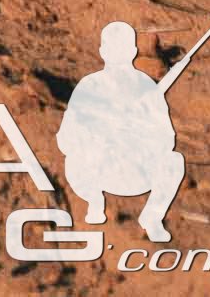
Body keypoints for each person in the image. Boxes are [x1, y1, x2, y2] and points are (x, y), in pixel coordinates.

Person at [58, 19, 193, 244]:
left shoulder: (147, 89)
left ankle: (152, 217)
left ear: (132, 51)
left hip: (134, 168)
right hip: (97, 169)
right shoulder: (89, 86)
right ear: (103, 51)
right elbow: (65, 139)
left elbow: (167, 140)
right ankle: (95, 203)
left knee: (174, 161)